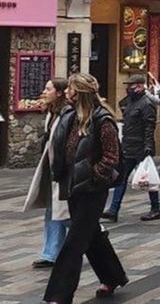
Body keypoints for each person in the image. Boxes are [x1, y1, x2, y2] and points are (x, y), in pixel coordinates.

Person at [44, 73, 127, 303]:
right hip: (72, 185)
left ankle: (59, 295)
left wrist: (94, 176)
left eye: (70, 88)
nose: (67, 92)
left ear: (77, 92)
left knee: (75, 242)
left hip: (92, 189)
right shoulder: (71, 117)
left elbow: (111, 157)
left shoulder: (103, 120)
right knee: (91, 236)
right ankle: (113, 276)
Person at [101, 74, 160, 222]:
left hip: (141, 147)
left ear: (140, 86)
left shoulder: (146, 103)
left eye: (131, 86)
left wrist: (148, 146)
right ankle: (114, 209)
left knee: (147, 179)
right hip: (128, 145)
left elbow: (149, 126)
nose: (128, 89)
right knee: (121, 178)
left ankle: (156, 208)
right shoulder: (131, 102)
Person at [24, 78, 70, 269]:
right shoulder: (53, 113)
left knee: (67, 213)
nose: (44, 91)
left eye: (48, 88)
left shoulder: (68, 113)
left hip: (63, 170)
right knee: (53, 210)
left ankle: (94, 239)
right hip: (52, 168)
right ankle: (51, 252)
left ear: (59, 92)